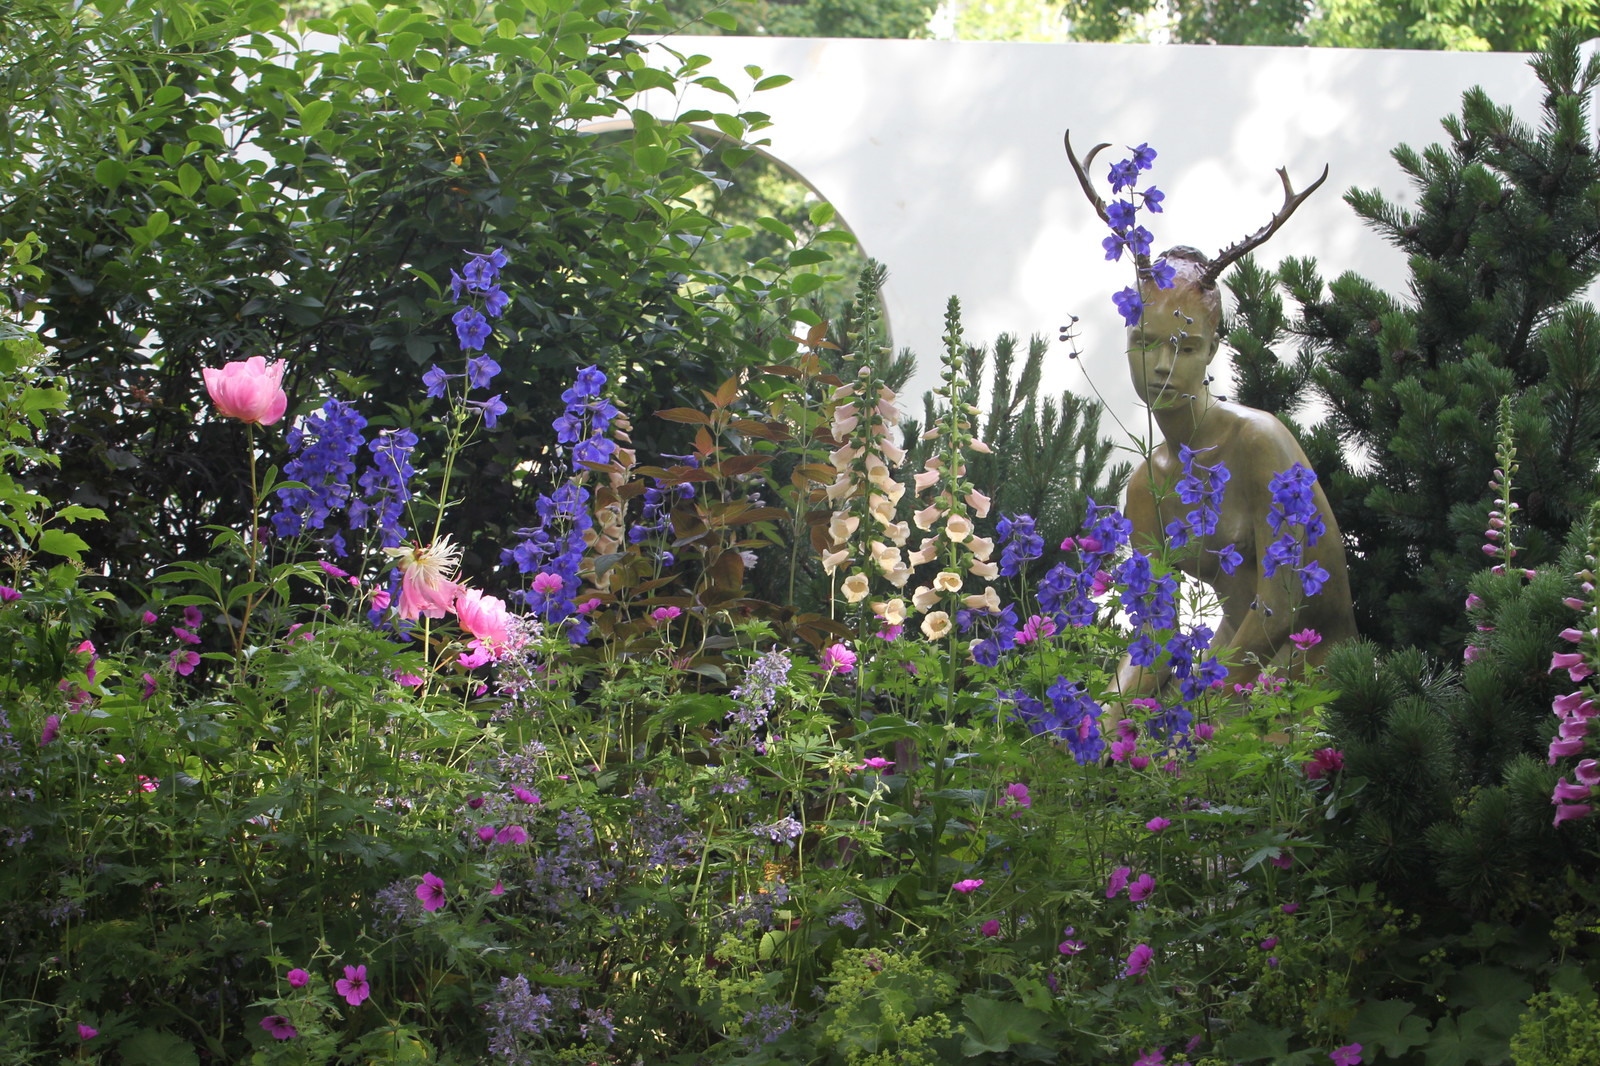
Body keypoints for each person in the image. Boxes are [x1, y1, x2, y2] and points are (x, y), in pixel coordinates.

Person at [1114, 247, 1357, 701]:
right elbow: (1155, 630)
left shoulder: (1257, 441)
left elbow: (1283, 605)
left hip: (1311, 673)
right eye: (1145, 342)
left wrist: (1203, 707)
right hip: (1228, 668)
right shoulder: (1147, 486)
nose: (1163, 366)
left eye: (1185, 347)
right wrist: (1104, 714)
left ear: (1211, 349)